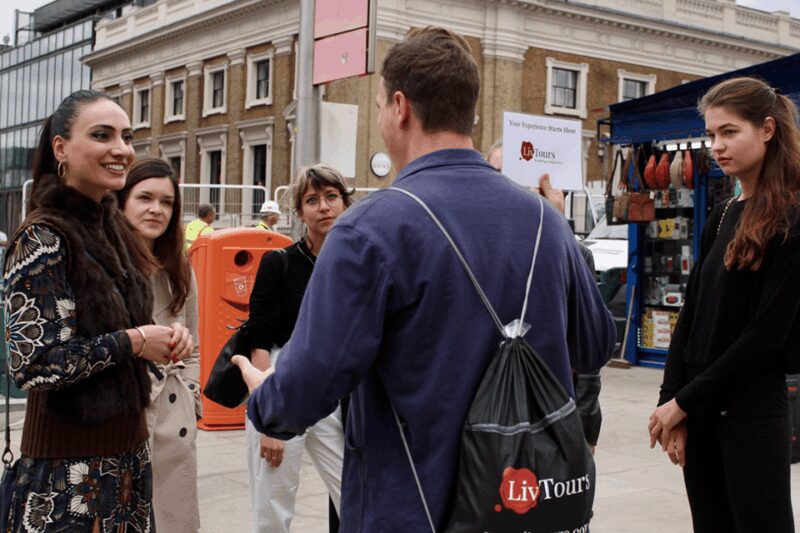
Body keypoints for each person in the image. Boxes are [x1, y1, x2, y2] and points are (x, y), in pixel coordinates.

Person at [234, 27, 615, 530]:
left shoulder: (368, 230)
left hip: (413, 507)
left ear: (400, 107)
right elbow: (595, 344)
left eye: (378, 105)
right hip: (527, 506)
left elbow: (310, 383)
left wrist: (265, 396)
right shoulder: (548, 221)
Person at [1, 90, 193, 532]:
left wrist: (164, 338)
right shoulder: (42, 238)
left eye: (127, 137)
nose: (121, 149)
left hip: (128, 463)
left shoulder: (113, 228)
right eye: (102, 135)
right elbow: (33, 365)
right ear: (61, 148)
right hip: (65, 477)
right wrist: (136, 341)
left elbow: (128, 328)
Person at [648, 77, 800, 532]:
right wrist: (671, 403)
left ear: (767, 129)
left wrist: (683, 401)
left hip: (751, 414)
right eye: (712, 134)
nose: (716, 146)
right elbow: (692, 314)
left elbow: (764, 337)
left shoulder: (793, 218)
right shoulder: (722, 214)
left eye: (729, 132)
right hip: (700, 413)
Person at [244, 165, 352, 533]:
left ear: (345, 203)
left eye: (331, 197)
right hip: (282, 382)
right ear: (300, 212)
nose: (324, 207)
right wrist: (268, 417)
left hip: (333, 390)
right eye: (312, 200)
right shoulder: (280, 263)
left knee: (354, 495)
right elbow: (259, 340)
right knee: (273, 507)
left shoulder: (355, 265)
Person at [487, 139, 603, 454]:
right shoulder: (476, 250)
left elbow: (590, 350)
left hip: (555, 416)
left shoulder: (574, 253)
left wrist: (586, 425)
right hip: (487, 422)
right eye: (500, 174)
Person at [117, 157, 202, 532]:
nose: (156, 209)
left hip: (173, 419)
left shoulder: (179, 268)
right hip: (122, 418)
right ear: (122, 201)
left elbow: (195, 346)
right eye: (145, 198)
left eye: (166, 202)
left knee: (172, 520)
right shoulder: (104, 266)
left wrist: (191, 399)